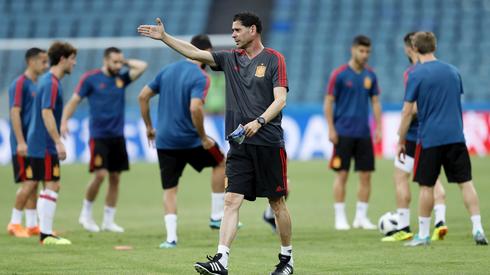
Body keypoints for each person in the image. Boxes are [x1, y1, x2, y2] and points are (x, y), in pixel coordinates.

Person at [138, 11, 293, 275]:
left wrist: (259, 122)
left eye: (237, 30)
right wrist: (165, 38)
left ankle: (286, 260)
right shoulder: (230, 59)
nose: (232, 34)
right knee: (231, 200)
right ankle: (221, 260)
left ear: (253, 30)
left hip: (268, 142)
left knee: (277, 203)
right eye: (232, 30)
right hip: (239, 144)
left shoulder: (274, 59)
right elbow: (196, 53)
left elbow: (280, 100)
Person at [398, 32, 488, 246]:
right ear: (434, 47)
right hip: (456, 136)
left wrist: (401, 140)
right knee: (466, 183)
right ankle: (478, 228)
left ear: (415, 48)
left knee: (426, 186)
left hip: (430, 138)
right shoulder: (453, 72)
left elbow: (407, 111)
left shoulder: (416, 74)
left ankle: (423, 235)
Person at [138, 34, 227, 249]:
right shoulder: (200, 77)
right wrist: (204, 137)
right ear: (205, 51)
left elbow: (142, 96)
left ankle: (171, 238)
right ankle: (216, 215)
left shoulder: (167, 71)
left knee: (170, 189)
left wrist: (149, 127)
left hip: (165, 141)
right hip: (191, 140)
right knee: (221, 162)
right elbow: (195, 107)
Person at [61, 47, 147, 233]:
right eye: (114, 62)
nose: (118, 65)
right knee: (100, 175)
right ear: (105, 60)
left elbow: (142, 66)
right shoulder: (90, 78)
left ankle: (108, 221)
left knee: (115, 178)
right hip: (99, 136)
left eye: (120, 62)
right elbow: (75, 100)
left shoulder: (121, 79)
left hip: (118, 136)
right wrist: (64, 120)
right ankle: (86, 214)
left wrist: (123, 62)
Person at [383, 32, 448, 242]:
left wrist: (401, 135)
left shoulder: (412, 73)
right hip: (434, 132)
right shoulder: (439, 71)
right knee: (433, 178)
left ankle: (403, 227)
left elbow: (411, 108)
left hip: (413, 134)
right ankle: (440, 221)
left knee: (401, 177)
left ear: (410, 48)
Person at [323, 35, 382, 231]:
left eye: (367, 52)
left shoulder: (370, 75)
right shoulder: (339, 75)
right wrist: (331, 128)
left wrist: (379, 127)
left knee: (366, 176)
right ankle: (340, 217)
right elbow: (329, 101)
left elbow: (375, 102)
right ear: (353, 50)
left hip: (363, 133)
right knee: (342, 174)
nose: (365, 55)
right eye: (361, 51)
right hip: (343, 133)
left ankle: (361, 217)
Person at [26, 41, 77, 245]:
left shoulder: (49, 81)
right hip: (44, 143)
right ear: (63, 59)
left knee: (51, 185)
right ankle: (45, 234)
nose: (74, 63)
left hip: (40, 142)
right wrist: (58, 142)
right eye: (72, 59)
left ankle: (44, 231)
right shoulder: (51, 83)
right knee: (52, 184)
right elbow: (46, 112)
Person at [7, 48, 49, 238]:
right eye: (43, 61)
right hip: (23, 143)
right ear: (31, 62)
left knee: (35, 183)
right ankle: (14, 223)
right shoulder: (20, 84)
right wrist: (21, 142)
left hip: (34, 143)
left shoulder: (37, 83)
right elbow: (14, 112)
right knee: (29, 182)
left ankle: (32, 225)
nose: (46, 65)